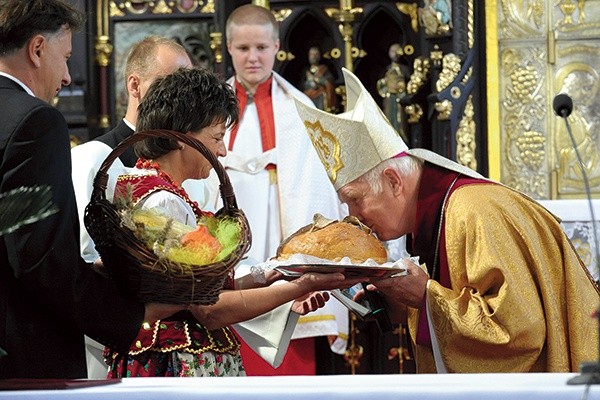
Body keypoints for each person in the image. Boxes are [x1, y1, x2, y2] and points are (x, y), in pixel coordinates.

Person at [294, 67, 600, 373]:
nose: (353, 217)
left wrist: (426, 296)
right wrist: (396, 299)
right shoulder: (443, 212)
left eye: (356, 200)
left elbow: (516, 331)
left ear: (393, 181)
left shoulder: (474, 211)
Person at [105, 66, 364, 377]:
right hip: (173, 364)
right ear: (182, 137)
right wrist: (301, 285)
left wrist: (276, 275)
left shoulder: (153, 188)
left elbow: (205, 283)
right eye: (216, 137)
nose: (223, 151)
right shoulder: (160, 203)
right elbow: (208, 309)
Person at [0, 0, 183, 379]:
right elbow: (38, 257)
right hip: (18, 352)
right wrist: (133, 316)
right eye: (65, 57)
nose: (67, 77)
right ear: (37, 49)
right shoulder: (33, 120)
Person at [204, 3, 350, 375]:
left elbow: (320, 186)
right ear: (228, 48)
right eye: (243, 48)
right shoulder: (205, 111)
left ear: (277, 47)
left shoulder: (302, 109)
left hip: (281, 228)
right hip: (226, 232)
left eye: (261, 48)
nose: (253, 57)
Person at [72, 36, 193, 264]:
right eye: (169, 84)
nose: (182, 97)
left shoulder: (191, 158)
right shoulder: (95, 158)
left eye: (187, 86)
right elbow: (86, 256)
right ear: (134, 85)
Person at [377, 43, 407, 141]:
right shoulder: (387, 69)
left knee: (400, 121)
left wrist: (400, 87)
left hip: (400, 99)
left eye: (397, 51)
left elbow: (407, 82)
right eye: (392, 51)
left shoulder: (404, 69)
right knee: (389, 119)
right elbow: (381, 84)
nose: (395, 54)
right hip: (389, 98)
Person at [301, 45, 337, 113]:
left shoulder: (324, 70)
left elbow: (329, 84)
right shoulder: (305, 71)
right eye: (312, 54)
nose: (314, 57)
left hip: (320, 98)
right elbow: (301, 85)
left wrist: (318, 80)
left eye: (316, 54)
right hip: (307, 98)